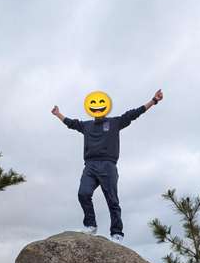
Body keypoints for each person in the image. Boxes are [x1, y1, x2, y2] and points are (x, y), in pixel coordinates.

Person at [51, 88, 163, 242]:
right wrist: (58, 114)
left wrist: (154, 101)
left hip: (108, 165)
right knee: (83, 194)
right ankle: (90, 225)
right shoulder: (86, 126)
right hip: (90, 165)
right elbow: (71, 123)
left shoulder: (115, 123)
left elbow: (134, 114)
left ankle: (117, 233)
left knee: (112, 200)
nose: (97, 107)